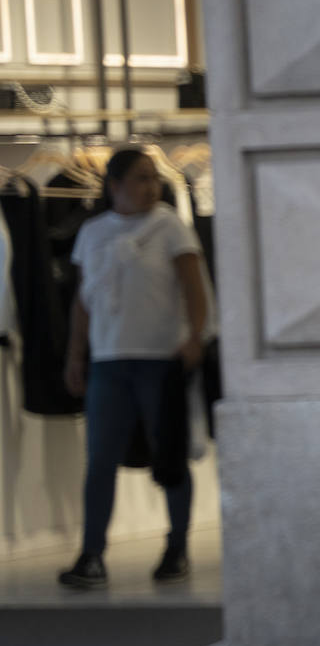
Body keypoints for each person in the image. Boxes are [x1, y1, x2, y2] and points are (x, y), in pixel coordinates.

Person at [59, 147, 209, 589]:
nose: (152, 186)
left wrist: (195, 336)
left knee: (169, 455)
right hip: (109, 361)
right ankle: (91, 555)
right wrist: (75, 354)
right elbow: (83, 303)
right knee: (100, 459)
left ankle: (177, 546)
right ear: (115, 186)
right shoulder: (93, 232)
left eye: (154, 177)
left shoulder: (170, 226)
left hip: (160, 359)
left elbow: (194, 286)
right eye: (141, 178)